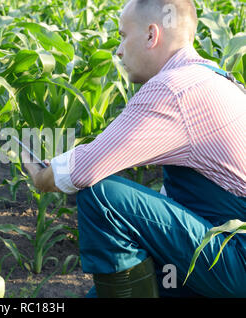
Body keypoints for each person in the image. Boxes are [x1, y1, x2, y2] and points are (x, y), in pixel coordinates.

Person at [21, 0, 245, 298]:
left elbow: (85, 170)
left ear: (152, 35)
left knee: (103, 197)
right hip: (219, 245)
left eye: (124, 35)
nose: (118, 50)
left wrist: (40, 178)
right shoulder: (216, 78)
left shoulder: (173, 88)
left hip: (233, 257)